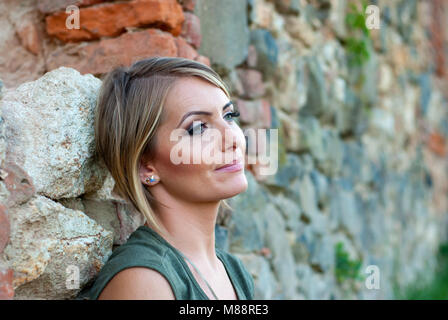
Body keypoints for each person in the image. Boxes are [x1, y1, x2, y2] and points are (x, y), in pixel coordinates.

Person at [76, 56, 254, 300]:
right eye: (198, 128)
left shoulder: (234, 272)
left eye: (229, 116)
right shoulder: (144, 281)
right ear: (145, 167)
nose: (232, 138)